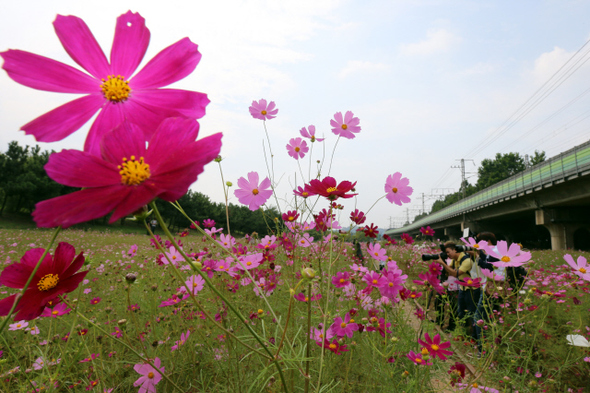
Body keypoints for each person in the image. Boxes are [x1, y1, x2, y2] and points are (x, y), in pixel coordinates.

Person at [435, 241, 481, 339]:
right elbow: (449, 270)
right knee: (460, 313)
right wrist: (442, 262)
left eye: (448, 252)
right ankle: (463, 333)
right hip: (462, 288)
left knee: (471, 313)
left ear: (455, 250)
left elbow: (456, 274)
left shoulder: (466, 260)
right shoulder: (455, 259)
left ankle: (474, 337)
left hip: (471, 289)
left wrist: (443, 263)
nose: (447, 254)